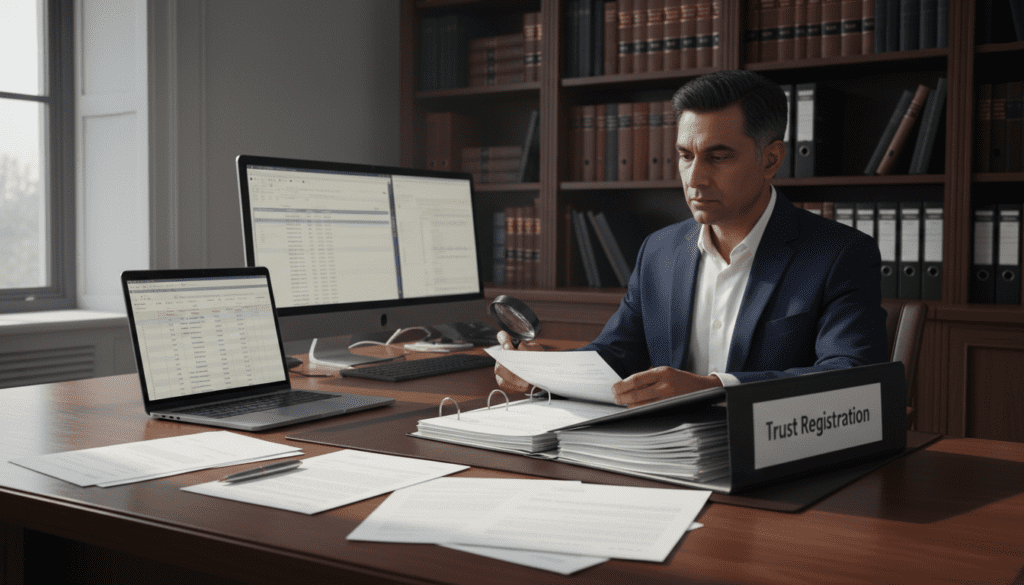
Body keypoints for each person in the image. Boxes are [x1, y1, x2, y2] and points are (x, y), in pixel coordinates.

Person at [495, 69, 888, 407]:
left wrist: (712, 388)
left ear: (770, 159)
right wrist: (542, 371)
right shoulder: (659, 250)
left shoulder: (841, 254)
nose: (695, 179)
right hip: (665, 456)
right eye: (686, 155)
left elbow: (850, 377)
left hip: (774, 462)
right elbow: (616, 356)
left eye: (718, 157)